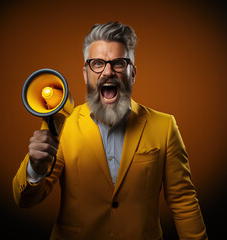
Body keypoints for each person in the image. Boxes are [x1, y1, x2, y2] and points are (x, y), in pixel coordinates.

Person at [12, 22, 207, 240]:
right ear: (86, 74)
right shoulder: (61, 125)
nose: (108, 71)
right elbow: (25, 200)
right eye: (97, 63)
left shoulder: (164, 126)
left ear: (132, 73)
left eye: (119, 63)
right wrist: (35, 169)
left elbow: (183, 200)